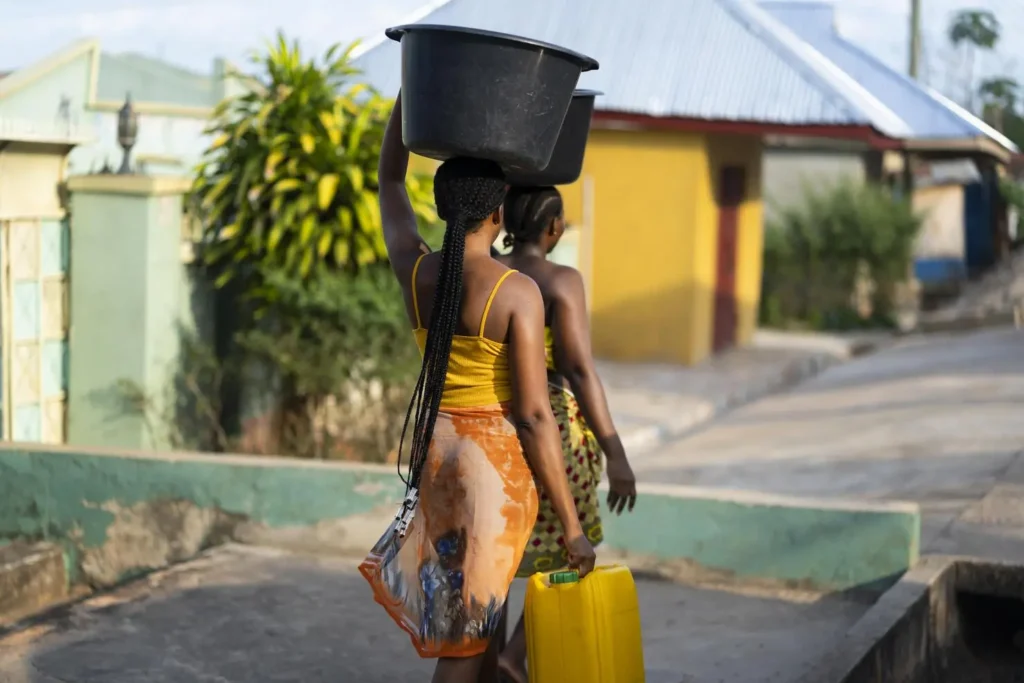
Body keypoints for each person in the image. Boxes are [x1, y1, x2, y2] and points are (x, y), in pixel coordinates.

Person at [359, 94, 597, 683]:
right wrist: (572, 528)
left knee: (477, 628)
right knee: (466, 645)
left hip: (436, 455)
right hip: (490, 468)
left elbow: (389, 179)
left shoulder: (416, 269)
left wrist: (408, 97)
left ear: (443, 207)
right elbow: (537, 417)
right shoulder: (516, 292)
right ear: (497, 214)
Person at [495, 186, 638, 683]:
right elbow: (578, 369)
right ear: (552, 227)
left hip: (498, 421)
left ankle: (497, 658)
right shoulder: (561, 281)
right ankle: (515, 658)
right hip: (552, 424)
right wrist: (615, 453)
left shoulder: (492, 270)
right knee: (563, 552)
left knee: (503, 559)